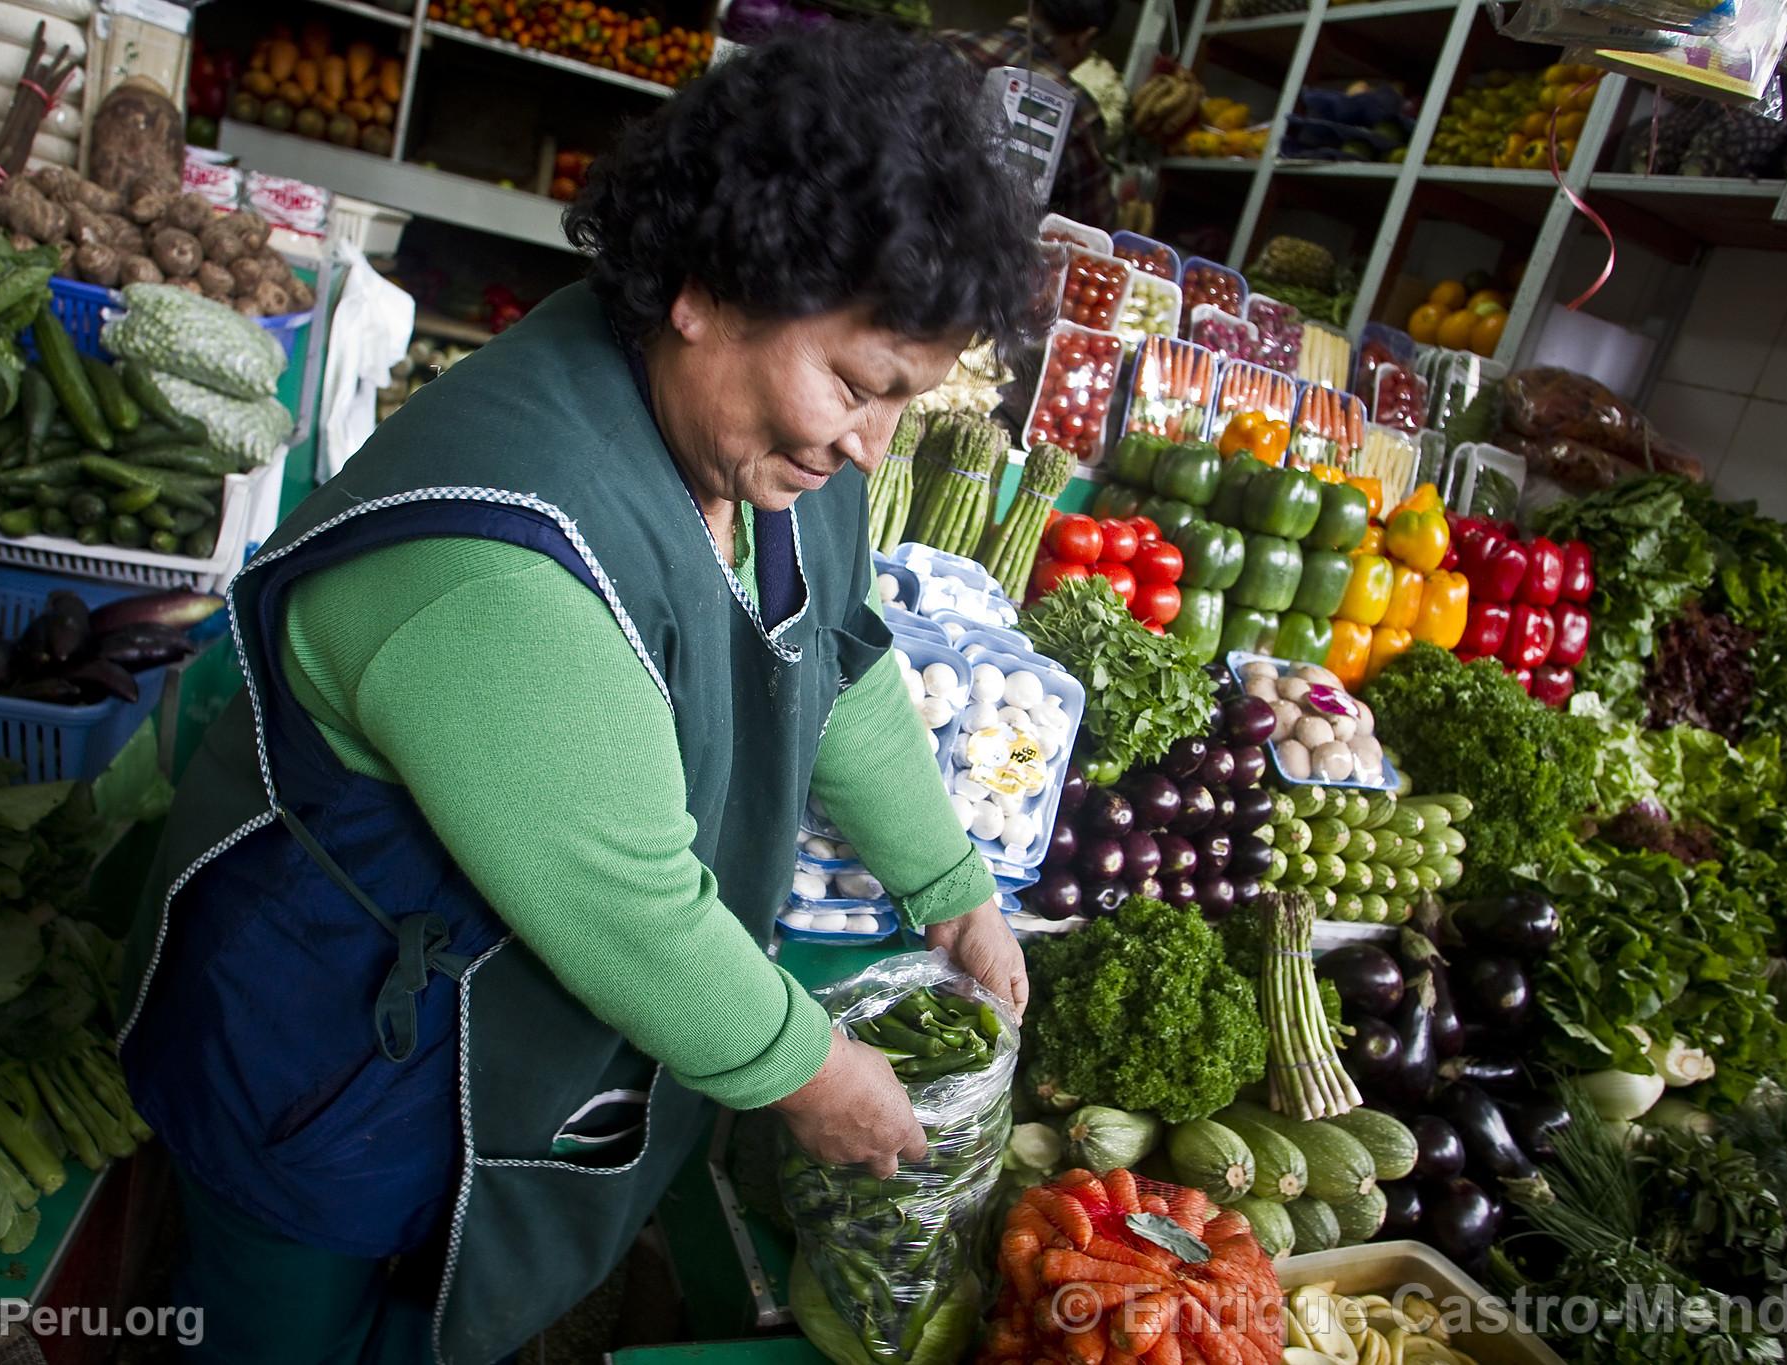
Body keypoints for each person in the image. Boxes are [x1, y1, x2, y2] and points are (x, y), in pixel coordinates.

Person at [115, 28, 1044, 1365]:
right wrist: (812, 1072)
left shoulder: (756, 450)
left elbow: (837, 657)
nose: (867, 443)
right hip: (326, 1040)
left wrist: (949, 882)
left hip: (481, 1019)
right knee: (286, 1326)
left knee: (425, 1298)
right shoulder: (504, 566)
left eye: (903, 400)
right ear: (709, 288)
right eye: (853, 382)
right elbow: (634, 910)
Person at [941, 0, 1121, 229]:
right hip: (983, 257)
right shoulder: (1079, 112)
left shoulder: (943, 45)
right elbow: (1091, 228)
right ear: (1085, 38)